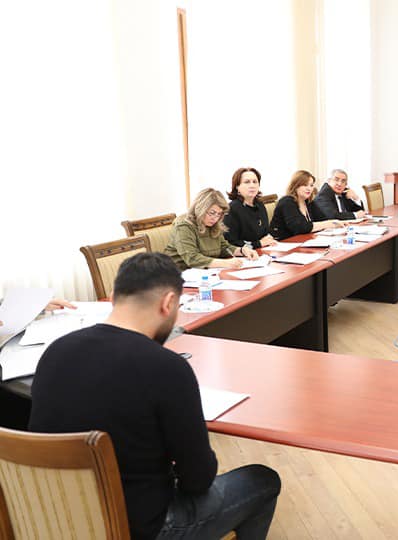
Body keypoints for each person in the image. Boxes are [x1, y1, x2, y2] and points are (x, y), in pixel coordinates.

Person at [29, 253, 281, 539]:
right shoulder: (167, 367)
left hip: (57, 517)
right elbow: (198, 479)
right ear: (168, 303)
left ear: (114, 296)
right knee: (262, 480)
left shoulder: (55, 352)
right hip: (138, 527)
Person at [164, 188, 259, 271]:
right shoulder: (184, 225)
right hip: (178, 274)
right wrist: (225, 263)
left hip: (205, 273)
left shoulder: (213, 224)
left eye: (219, 214)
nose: (215, 218)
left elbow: (224, 247)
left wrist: (242, 251)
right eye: (212, 213)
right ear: (200, 209)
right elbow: (192, 258)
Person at [270, 170, 342, 240]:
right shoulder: (287, 201)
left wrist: (339, 223)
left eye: (311, 185)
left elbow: (323, 219)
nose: (309, 189)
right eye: (305, 185)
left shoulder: (308, 202)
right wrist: (328, 223)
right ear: (295, 185)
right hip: (283, 243)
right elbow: (300, 227)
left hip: (301, 241)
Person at [224, 167, 275, 249]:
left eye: (255, 182)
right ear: (237, 186)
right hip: (243, 254)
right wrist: (258, 244)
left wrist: (269, 239)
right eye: (247, 182)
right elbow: (231, 243)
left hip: (264, 250)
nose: (252, 185)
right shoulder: (232, 209)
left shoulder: (260, 205)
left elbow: (265, 232)